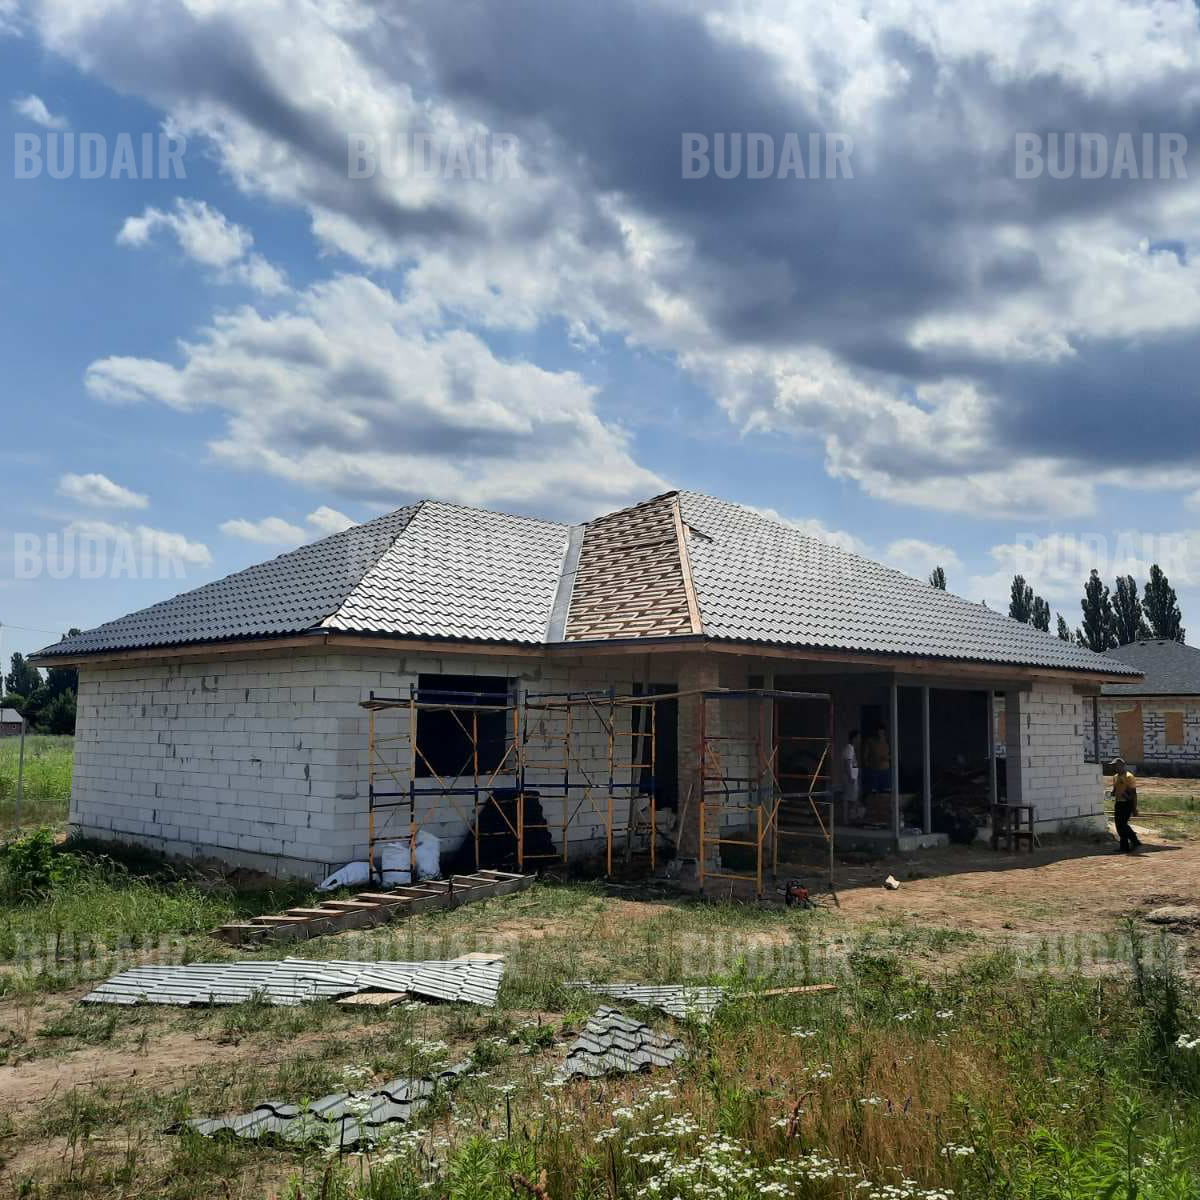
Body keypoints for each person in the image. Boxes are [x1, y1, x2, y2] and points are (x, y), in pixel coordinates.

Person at [1111, 757, 1141, 854]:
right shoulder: (1115, 777)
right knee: (1119, 826)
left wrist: (1134, 808)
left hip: (1127, 804)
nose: (1115, 767)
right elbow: (1115, 789)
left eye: (1116, 765)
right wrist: (1112, 793)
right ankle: (1124, 846)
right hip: (1118, 803)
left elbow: (1133, 794)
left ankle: (1134, 840)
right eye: (1114, 766)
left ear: (1122, 765)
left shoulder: (1129, 777)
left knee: (1123, 824)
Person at [862, 726, 891, 794]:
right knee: (873, 790)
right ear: (876, 732)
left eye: (882, 732)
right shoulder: (870, 741)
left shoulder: (888, 741)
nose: (880, 733)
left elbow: (894, 754)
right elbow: (865, 755)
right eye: (879, 731)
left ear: (884, 732)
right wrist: (867, 764)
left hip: (886, 769)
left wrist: (888, 757)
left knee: (886, 790)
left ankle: (884, 803)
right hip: (874, 769)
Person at [842, 730, 860, 821]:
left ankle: (849, 817)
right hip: (850, 777)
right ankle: (848, 818)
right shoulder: (849, 748)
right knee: (850, 799)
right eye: (858, 738)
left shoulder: (851, 748)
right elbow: (847, 763)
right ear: (854, 738)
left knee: (852, 798)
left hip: (852, 775)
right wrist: (851, 776)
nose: (859, 740)